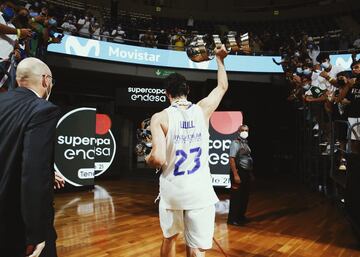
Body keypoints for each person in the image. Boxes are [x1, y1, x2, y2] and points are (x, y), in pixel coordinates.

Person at [145, 45, 228, 257]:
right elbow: (222, 87)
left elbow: (158, 158)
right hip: (199, 191)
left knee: (169, 239)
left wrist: (147, 158)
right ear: (187, 90)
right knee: (196, 247)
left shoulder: (160, 118)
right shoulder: (202, 110)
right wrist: (219, 60)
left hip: (173, 191)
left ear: (167, 94)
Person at [0, 57, 60, 257]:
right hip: (17, 223)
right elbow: (32, 172)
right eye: (51, 81)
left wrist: (49, 174)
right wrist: (35, 233)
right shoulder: (43, 109)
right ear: (45, 80)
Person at [227, 125, 254, 226]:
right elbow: (232, 159)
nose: (244, 132)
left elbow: (247, 158)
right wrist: (235, 175)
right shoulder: (235, 143)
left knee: (244, 196)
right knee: (236, 197)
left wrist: (250, 173)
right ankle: (233, 219)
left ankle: (241, 217)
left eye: (246, 130)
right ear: (238, 132)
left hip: (246, 172)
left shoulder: (245, 143)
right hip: (238, 172)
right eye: (242, 130)